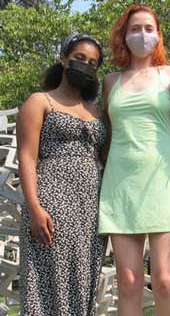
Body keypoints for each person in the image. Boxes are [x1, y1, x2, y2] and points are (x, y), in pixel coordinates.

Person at [98, 4, 170, 316]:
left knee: (166, 280)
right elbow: (107, 134)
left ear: (158, 35)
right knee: (128, 281)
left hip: (163, 182)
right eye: (135, 29)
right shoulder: (110, 81)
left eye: (148, 28)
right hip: (121, 184)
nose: (142, 35)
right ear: (123, 36)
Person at [17, 33, 106, 316]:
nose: (85, 66)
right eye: (79, 58)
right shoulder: (40, 101)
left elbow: (107, 156)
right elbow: (27, 157)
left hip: (90, 206)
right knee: (47, 280)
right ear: (63, 58)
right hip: (52, 199)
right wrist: (33, 207)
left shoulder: (97, 111)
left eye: (92, 63)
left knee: (82, 278)